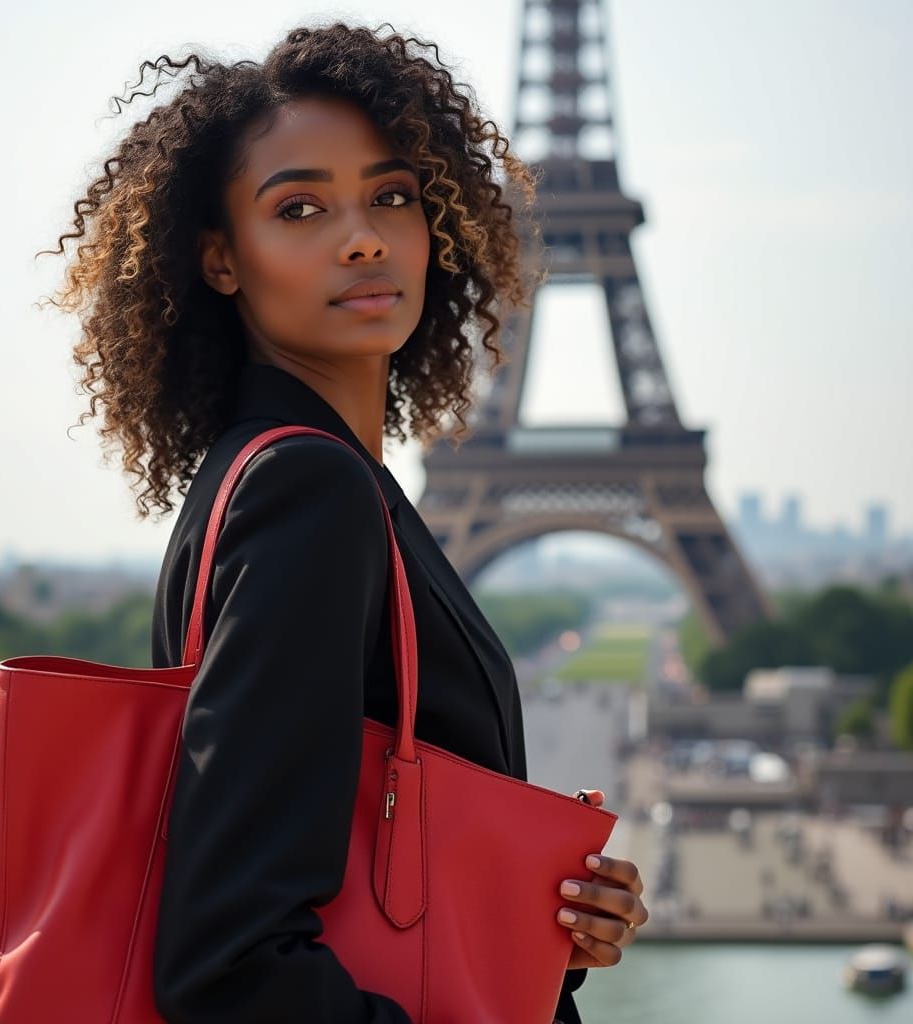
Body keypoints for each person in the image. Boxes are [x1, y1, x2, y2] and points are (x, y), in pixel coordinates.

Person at [41, 21, 648, 1023]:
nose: (363, 237)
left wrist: (546, 923)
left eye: (393, 196)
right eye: (300, 208)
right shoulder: (307, 491)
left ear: (436, 225)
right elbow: (230, 967)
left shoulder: (269, 474)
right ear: (221, 258)